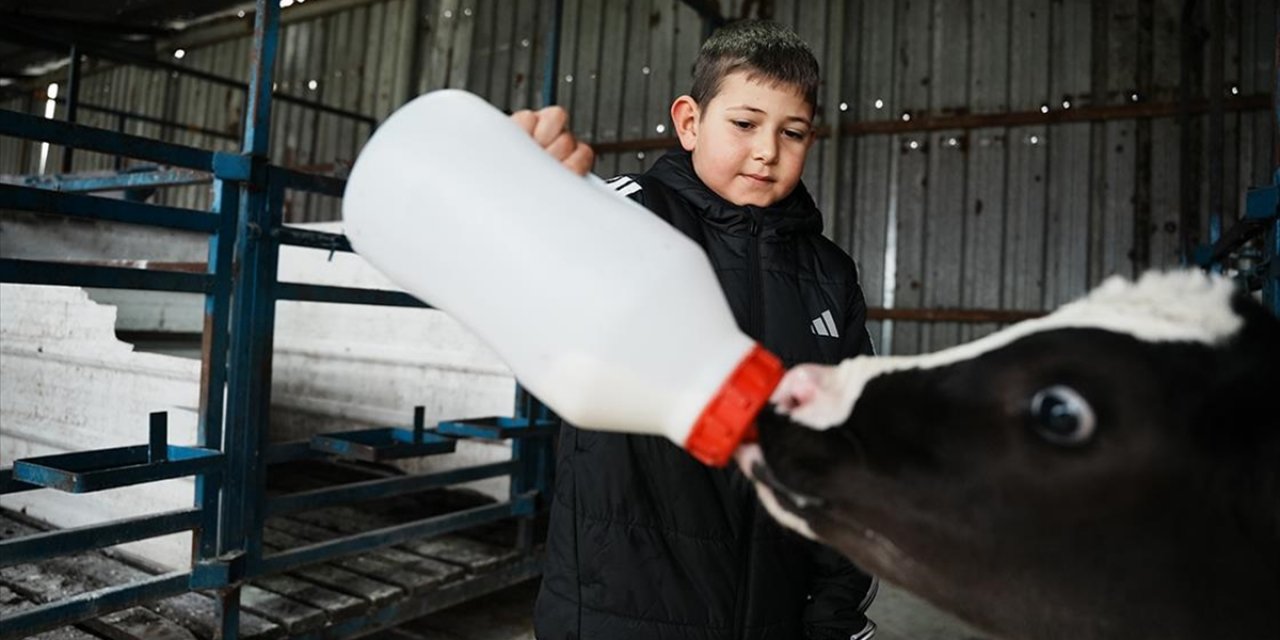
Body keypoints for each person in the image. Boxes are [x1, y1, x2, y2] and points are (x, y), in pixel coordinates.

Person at [512, 19, 878, 640]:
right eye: (744, 123)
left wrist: (834, 614)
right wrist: (526, 196)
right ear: (689, 122)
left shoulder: (829, 274)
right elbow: (535, 281)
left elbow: (847, 457)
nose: (767, 149)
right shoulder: (626, 217)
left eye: (792, 133)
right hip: (619, 612)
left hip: (775, 614)